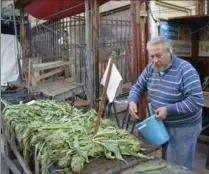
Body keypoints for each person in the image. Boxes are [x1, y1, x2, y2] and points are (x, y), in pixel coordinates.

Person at [128, 36, 204, 170]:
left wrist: (169, 109)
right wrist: (132, 100)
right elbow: (138, 87)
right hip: (160, 125)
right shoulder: (151, 69)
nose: (155, 60)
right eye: (151, 56)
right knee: (161, 162)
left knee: (180, 166)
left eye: (159, 55)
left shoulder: (186, 70)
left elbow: (196, 101)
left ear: (169, 52)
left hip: (184, 127)